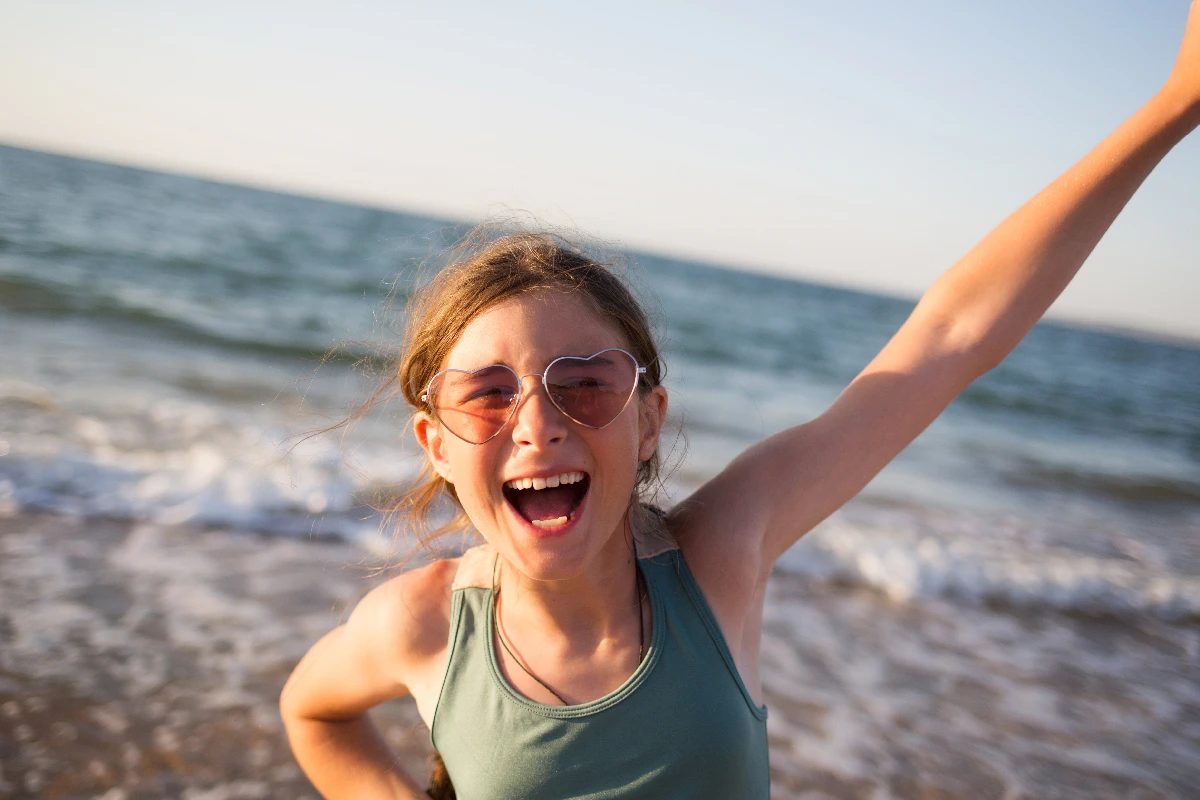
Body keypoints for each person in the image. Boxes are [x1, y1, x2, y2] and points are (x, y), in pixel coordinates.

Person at [281, 6, 1200, 798]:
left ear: (649, 419)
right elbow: (313, 712)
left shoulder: (717, 557)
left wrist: (1173, 105)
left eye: (587, 384)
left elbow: (946, 342)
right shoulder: (425, 626)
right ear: (433, 442)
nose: (537, 422)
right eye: (486, 394)